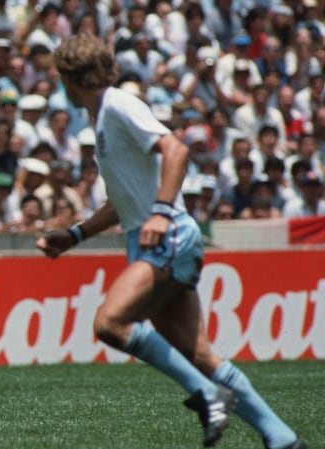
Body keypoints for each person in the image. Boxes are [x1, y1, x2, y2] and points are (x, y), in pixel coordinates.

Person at [37, 33, 306, 449]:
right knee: (198, 354)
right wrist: (73, 236)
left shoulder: (119, 104)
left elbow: (176, 149)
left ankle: (208, 396)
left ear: (72, 77)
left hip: (167, 235)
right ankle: (281, 436)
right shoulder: (102, 118)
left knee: (110, 323)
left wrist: (162, 212)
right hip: (151, 236)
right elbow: (122, 200)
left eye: (60, 77)